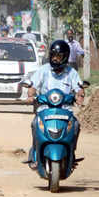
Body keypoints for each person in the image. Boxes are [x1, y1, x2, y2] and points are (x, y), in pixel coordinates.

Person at [25, 40, 85, 169]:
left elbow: (79, 88)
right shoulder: (43, 70)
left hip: (65, 110)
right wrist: (31, 96)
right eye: (53, 56)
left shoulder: (72, 73)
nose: (55, 59)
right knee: (35, 124)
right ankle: (35, 154)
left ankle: (71, 154)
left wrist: (80, 97)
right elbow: (33, 86)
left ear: (65, 57)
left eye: (59, 56)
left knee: (76, 125)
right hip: (45, 109)